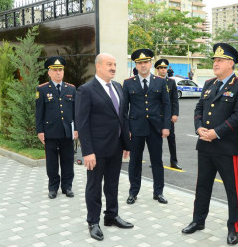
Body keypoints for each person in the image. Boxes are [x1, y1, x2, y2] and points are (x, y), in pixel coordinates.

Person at [182, 43, 238, 245]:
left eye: (220, 60)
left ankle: (233, 228)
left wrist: (216, 133)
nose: (216, 63)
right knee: (202, 185)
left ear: (231, 63)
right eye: (214, 60)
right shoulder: (209, 83)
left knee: (232, 189)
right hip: (205, 145)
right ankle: (198, 220)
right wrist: (199, 127)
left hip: (226, 147)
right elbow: (199, 107)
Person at [75, 53, 133, 241]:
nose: (113, 67)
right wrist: (88, 151)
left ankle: (111, 215)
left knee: (113, 183)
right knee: (94, 186)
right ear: (98, 66)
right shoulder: (86, 90)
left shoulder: (117, 87)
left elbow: (122, 117)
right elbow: (82, 123)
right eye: (109, 64)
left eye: (115, 64)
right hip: (96, 150)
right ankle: (93, 222)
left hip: (115, 146)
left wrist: (126, 143)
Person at [123, 49, 171, 205]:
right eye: (139, 63)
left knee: (157, 161)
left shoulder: (160, 81)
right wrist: (126, 129)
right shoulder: (128, 83)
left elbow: (166, 105)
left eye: (145, 62)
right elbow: (124, 109)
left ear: (150, 64)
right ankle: (133, 192)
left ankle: (159, 192)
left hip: (155, 128)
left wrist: (166, 126)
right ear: (135, 65)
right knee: (134, 161)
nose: (143, 65)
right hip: (135, 128)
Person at [36, 56, 77, 199]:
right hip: (50, 132)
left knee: (68, 161)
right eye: (55, 70)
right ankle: (53, 188)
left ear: (63, 72)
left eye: (60, 70)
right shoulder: (42, 89)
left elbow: (75, 111)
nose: (58, 73)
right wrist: (40, 131)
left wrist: (76, 129)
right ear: (49, 72)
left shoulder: (71, 89)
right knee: (52, 162)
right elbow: (39, 112)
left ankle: (67, 187)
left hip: (67, 132)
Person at [154, 59, 182, 170]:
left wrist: (175, 114)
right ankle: (156, 160)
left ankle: (173, 161)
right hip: (156, 116)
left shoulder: (171, 82)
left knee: (171, 139)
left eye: (165, 68)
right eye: (161, 68)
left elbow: (175, 99)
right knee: (156, 140)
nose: (163, 70)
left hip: (168, 116)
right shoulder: (153, 81)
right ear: (157, 69)